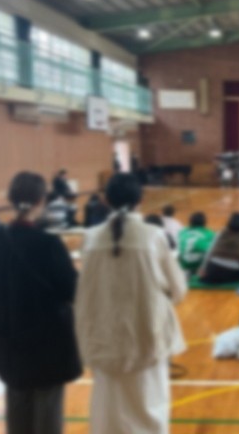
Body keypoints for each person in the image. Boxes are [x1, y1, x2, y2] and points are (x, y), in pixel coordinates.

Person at [76, 173, 187, 434]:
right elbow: (178, 290)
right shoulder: (154, 236)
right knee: (149, 404)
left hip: (103, 334)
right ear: (141, 199)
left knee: (108, 407)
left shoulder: (90, 238)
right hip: (146, 333)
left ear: (106, 200)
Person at [0, 172, 82, 434]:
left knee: (17, 410)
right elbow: (71, 291)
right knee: (47, 413)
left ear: (11, 200)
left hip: (8, 343)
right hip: (47, 346)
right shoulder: (49, 244)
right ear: (41, 201)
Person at [200, 213, 239, 284]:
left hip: (213, 269)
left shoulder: (221, 232)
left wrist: (203, 268)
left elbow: (210, 251)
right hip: (232, 271)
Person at [178, 212, 216, 277]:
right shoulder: (208, 233)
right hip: (198, 266)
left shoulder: (182, 231)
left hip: (182, 264)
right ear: (204, 222)